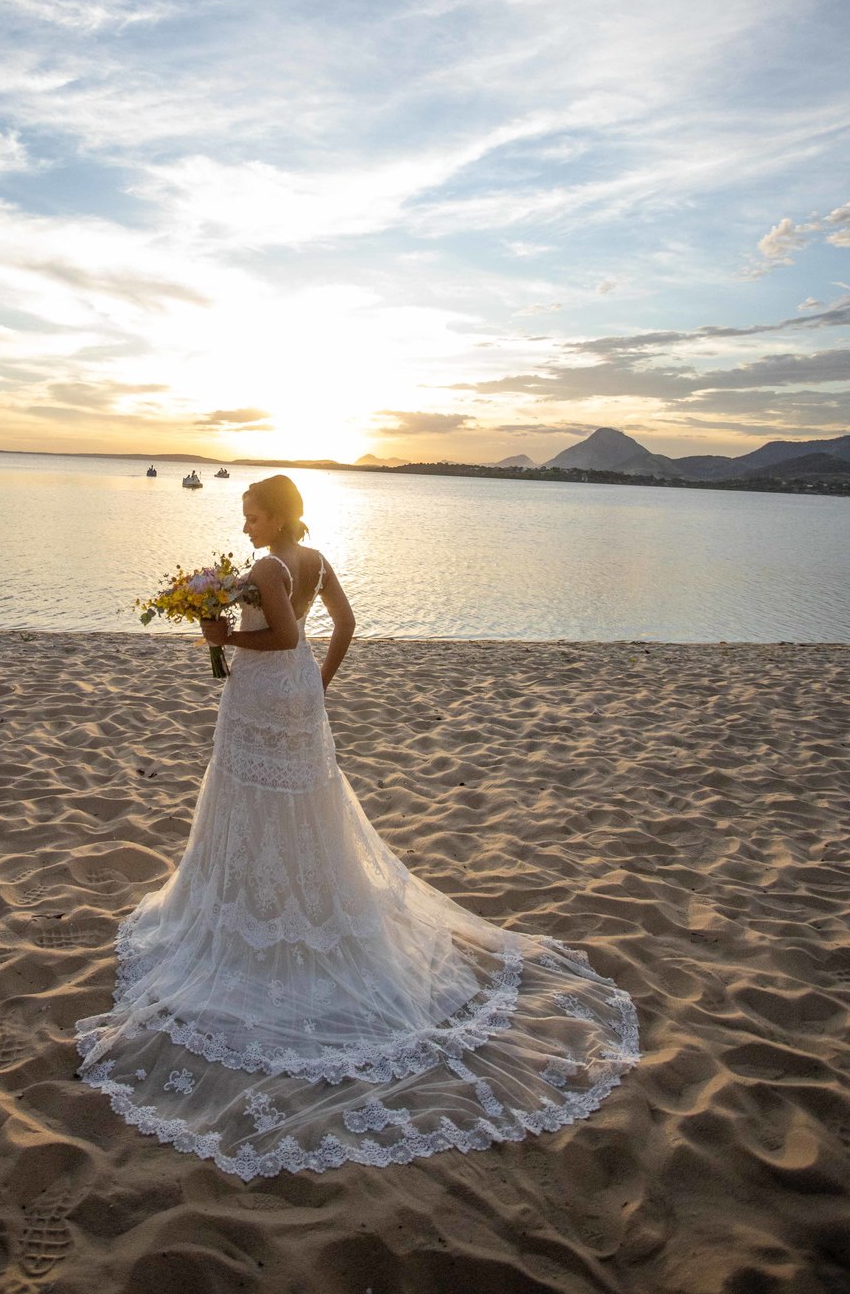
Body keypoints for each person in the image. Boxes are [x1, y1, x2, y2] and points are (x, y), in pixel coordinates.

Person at [76, 474, 639, 1179]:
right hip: (297, 697)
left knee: (255, 802)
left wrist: (223, 637)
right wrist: (321, 681)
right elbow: (338, 626)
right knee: (302, 805)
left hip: (262, 698)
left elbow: (280, 634)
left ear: (275, 516)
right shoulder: (311, 559)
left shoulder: (268, 567)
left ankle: (260, 910)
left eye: (251, 514)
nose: (244, 524)